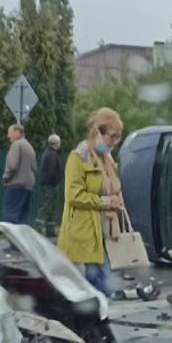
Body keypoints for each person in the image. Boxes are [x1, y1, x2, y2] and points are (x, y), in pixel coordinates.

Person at [57, 108, 124, 293]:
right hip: (84, 234)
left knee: (100, 287)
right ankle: (92, 320)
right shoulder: (78, 157)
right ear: (98, 132)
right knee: (98, 285)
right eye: (112, 136)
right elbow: (73, 195)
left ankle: (93, 319)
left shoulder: (107, 159)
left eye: (118, 137)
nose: (115, 142)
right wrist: (106, 202)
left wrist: (117, 199)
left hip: (104, 233)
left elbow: (113, 187)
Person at [2, 123, 36, 225]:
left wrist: (6, 177)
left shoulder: (16, 144)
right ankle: (21, 240)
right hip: (28, 185)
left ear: (17, 132)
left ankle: (11, 240)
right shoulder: (29, 146)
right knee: (23, 217)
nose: (8, 136)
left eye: (10, 133)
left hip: (16, 183)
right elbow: (34, 167)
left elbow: (12, 165)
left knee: (10, 215)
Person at [36, 133, 64, 237]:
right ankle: (38, 228)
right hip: (50, 185)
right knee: (47, 206)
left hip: (48, 184)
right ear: (56, 143)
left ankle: (50, 230)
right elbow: (52, 171)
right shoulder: (52, 155)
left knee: (51, 207)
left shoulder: (48, 153)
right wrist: (56, 182)